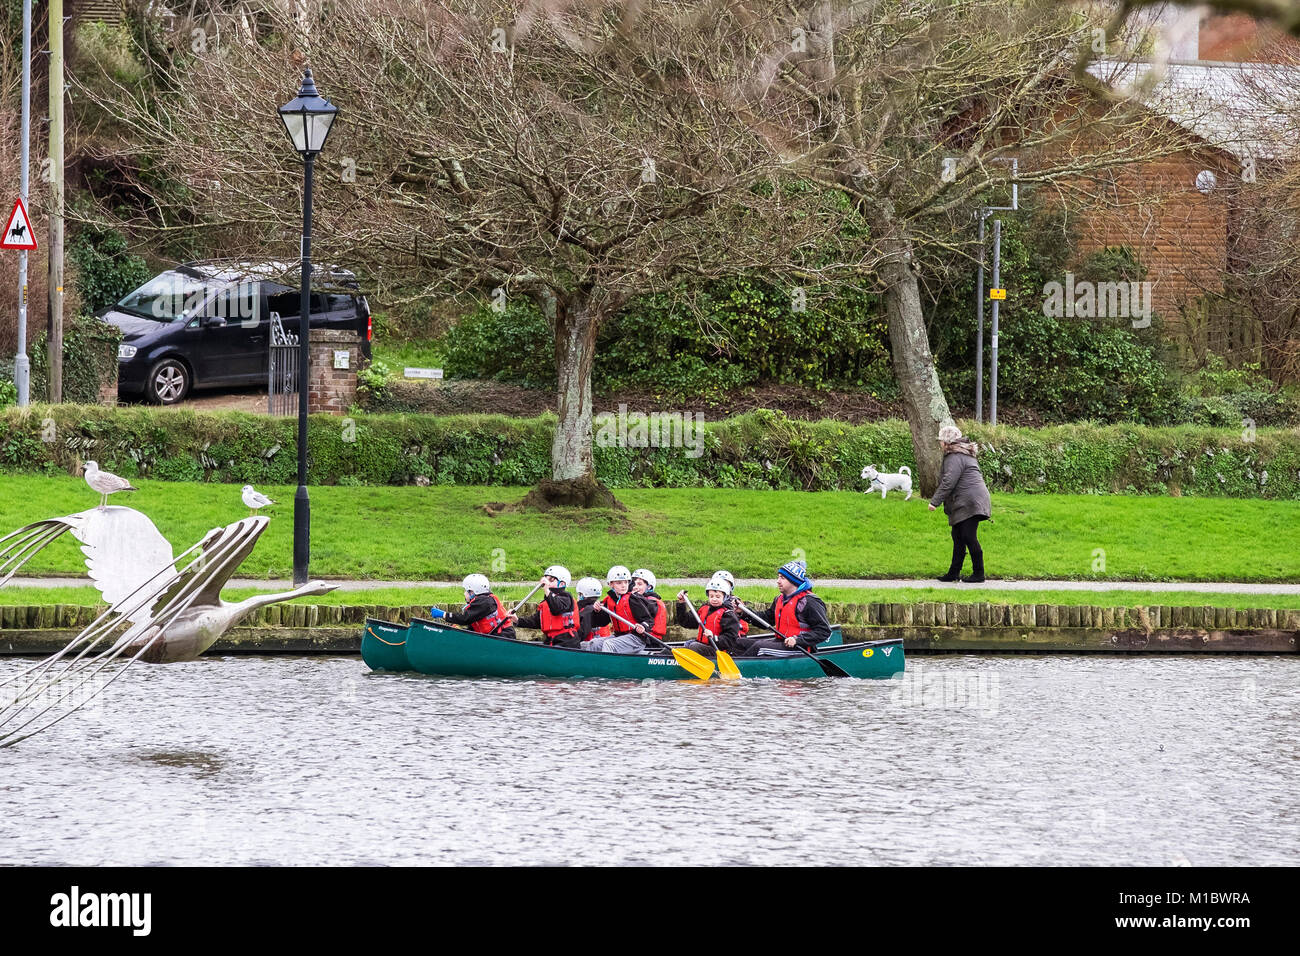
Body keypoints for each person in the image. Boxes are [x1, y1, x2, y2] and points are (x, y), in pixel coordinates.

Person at [928, 424, 993, 583]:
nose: (940, 444)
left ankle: (979, 574)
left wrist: (935, 502)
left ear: (947, 442)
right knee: (958, 536)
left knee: (968, 536)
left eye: (941, 440)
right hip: (969, 500)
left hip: (970, 501)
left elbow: (948, 482)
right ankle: (953, 573)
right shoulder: (963, 454)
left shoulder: (955, 457)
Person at [734, 560, 830, 655]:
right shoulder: (779, 599)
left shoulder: (809, 602)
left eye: (782, 578)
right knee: (738, 643)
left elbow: (824, 631)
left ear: (793, 581)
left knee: (759, 647)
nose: (778, 581)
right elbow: (766, 620)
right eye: (778, 577)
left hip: (800, 648)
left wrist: (797, 640)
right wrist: (743, 612)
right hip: (782, 642)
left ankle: (742, 668)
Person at [510, 565, 579, 647]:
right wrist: (517, 620)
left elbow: (556, 609)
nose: (546, 581)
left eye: (551, 579)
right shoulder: (546, 602)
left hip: (567, 641)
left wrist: (547, 590)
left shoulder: (566, 597)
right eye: (545, 578)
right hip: (551, 641)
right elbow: (535, 621)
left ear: (562, 584)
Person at [430, 573, 516, 639]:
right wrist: (460, 630)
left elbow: (464, 618)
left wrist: (444, 614)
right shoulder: (482, 602)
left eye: (466, 591)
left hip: (504, 637)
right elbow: (473, 628)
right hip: (497, 636)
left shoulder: (484, 602)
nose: (464, 593)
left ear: (472, 592)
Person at [584, 565, 647, 653]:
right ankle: (591, 666)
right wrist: (597, 611)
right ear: (611, 584)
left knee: (609, 644)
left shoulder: (633, 599)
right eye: (619, 583)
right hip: (619, 636)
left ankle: (608, 666)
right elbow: (601, 623)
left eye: (625, 582)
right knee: (594, 643)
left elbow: (648, 620)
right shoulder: (609, 600)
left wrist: (643, 626)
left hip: (636, 638)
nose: (623, 586)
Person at [675, 575, 741, 658]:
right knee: (674, 649)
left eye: (718, 597)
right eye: (711, 596)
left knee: (694, 646)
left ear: (725, 597)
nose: (714, 599)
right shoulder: (704, 609)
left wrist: (714, 637)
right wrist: (681, 604)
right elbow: (685, 621)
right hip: (702, 646)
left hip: (719, 651)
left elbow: (730, 640)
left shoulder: (728, 615)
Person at [712, 569, 749, 639]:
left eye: (725, 584)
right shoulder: (712, 602)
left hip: (735, 637)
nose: (721, 586)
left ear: (731, 587)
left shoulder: (735, 602)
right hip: (716, 636)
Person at [573, 576, 606, 643]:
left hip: (589, 646)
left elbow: (580, 635)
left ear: (581, 595)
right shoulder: (601, 608)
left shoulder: (587, 611)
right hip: (602, 642)